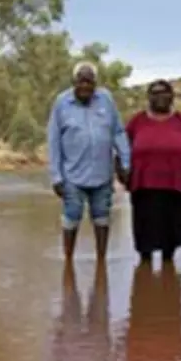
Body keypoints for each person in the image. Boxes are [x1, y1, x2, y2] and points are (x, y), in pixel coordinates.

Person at [47, 62, 131, 265]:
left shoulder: (106, 99)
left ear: (95, 83)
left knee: (102, 217)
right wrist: (56, 176)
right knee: (72, 216)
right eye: (81, 81)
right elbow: (54, 140)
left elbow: (118, 131)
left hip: (102, 173)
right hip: (72, 175)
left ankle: (101, 263)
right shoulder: (62, 103)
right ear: (74, 82)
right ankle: (68, 263)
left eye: (89, 82)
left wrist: (126, 161)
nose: (85, 86)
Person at [126, 80, 181, 265]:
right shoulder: (137, 121)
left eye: (164, 92)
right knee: (144, 243)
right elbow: (123, 149)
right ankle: (143, 283)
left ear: (172, 96)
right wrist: (121, 173)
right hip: (143, 187)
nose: (159, 96)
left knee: (169, 245)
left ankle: (168, 285)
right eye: (154, 93)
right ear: (149, 97)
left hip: (173, 186)